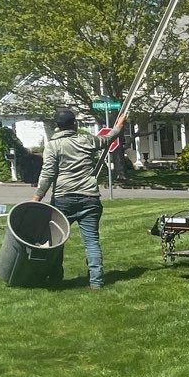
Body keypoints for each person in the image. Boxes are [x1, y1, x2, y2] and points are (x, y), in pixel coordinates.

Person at [34, 107, 118, 289]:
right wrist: (118, 126)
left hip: (63, 199)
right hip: (90, 198)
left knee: (56, 240)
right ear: (75, 124)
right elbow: (107, 140)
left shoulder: (53, 146)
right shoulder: (86, 140)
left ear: (57, 126)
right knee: (92, 241)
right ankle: (96, 281)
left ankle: (56, 278)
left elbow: (47, 174)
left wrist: (37, 197)